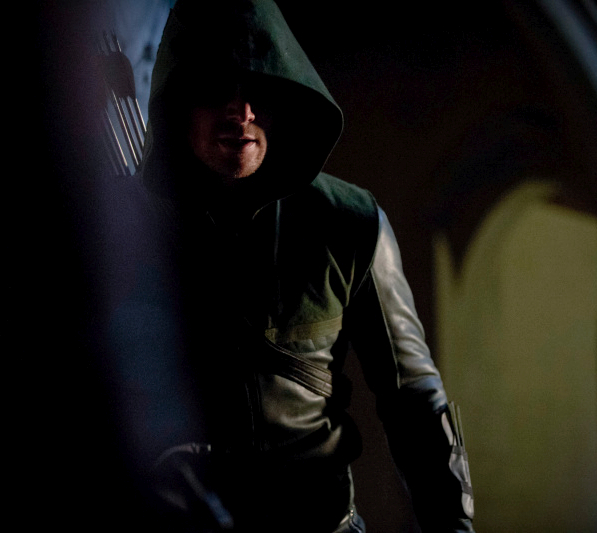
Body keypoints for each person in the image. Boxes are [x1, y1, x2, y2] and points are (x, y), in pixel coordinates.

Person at [125, 1, 475, 531]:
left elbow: (415, 405)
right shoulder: (124, 231)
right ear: (181, 98)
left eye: (259, 89)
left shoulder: (349, 221)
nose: (240, 111)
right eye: (216, 87)